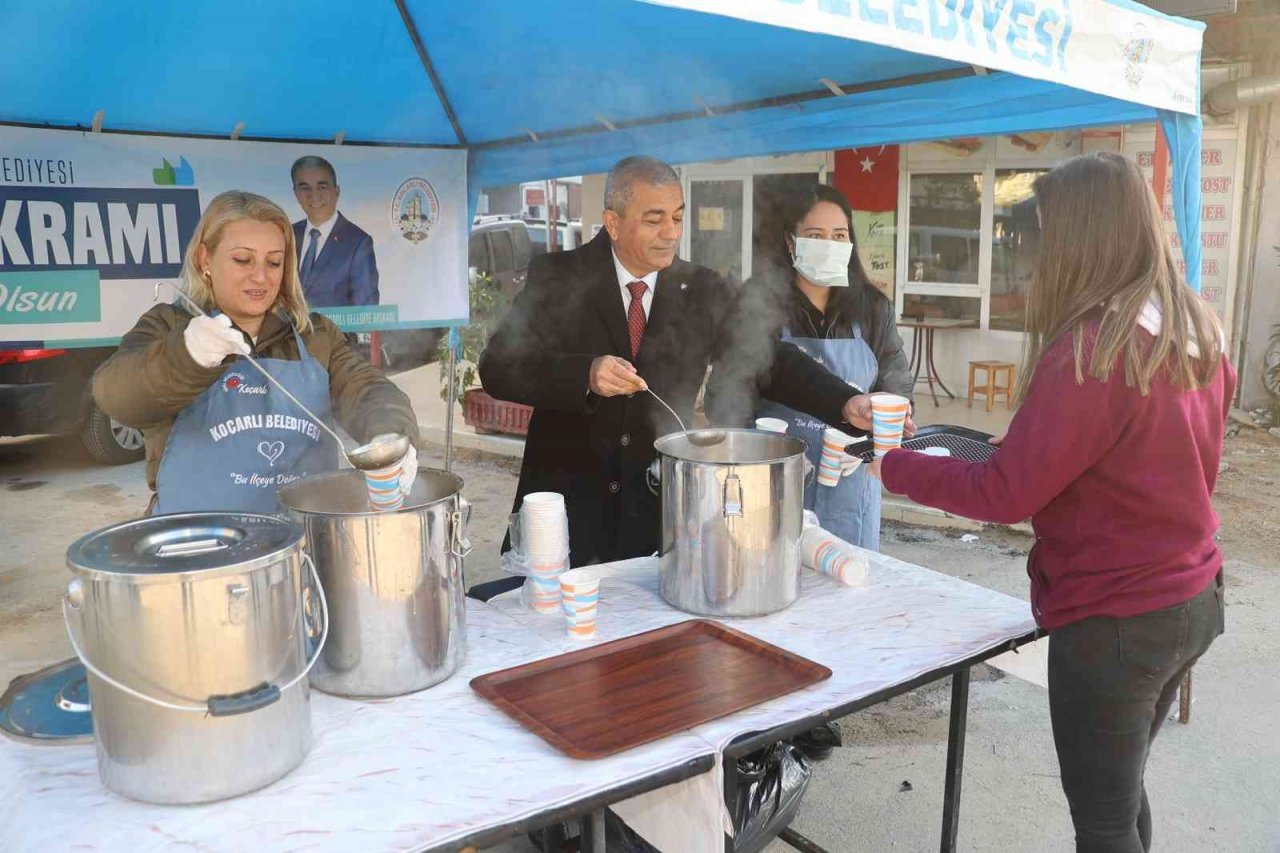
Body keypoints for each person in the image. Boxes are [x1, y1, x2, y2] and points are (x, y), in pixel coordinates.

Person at [869, 152, 1233, 853]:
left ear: (1080, 238)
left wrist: (895, 467)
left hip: (1117, 620)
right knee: (1120, 794)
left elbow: (1005, 492)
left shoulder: (1094, 348)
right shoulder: (1193, 328)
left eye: (1042, 233)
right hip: (1193, 598)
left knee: (1103, 822)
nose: (1033, 252)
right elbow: (1154, 457)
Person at [480, 155, 883, 568]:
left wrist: (844, 402)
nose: (671, 233)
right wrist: (585, 373)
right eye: (654, 220)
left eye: (677, 217)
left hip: (657, 514)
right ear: (613, 223)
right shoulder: (559, 277)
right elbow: (498, 366)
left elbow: (770, 358)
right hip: (564, 515)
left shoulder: (702, 288)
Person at [94, 190, 418, 515]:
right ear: (205, 259)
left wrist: (391, 433)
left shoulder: (314, 335)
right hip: (193, 537)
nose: (261, 276)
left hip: (301, 537)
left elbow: (368, 390)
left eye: (273, 262)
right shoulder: (167, 326)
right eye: (242, 260)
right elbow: (117, 396)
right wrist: (185, 356)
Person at [717, 184, 912, 550]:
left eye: (839, 235)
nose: (829, 244)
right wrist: (753, 450)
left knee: (846, 573)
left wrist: (887, 425)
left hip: (851, 485)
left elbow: (894, 377)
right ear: (791, 242)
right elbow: (725, 395)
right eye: (816, 236)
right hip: (774, 480)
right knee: (774, 568)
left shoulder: (873, 308)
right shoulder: (759, 304)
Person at [290, 155, 379, 307]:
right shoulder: (287, 234)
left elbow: (366, 310)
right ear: (296, 193)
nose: (314, 196)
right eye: (305, 188)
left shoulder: (358, 242)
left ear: (336, 191)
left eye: (322, 187)